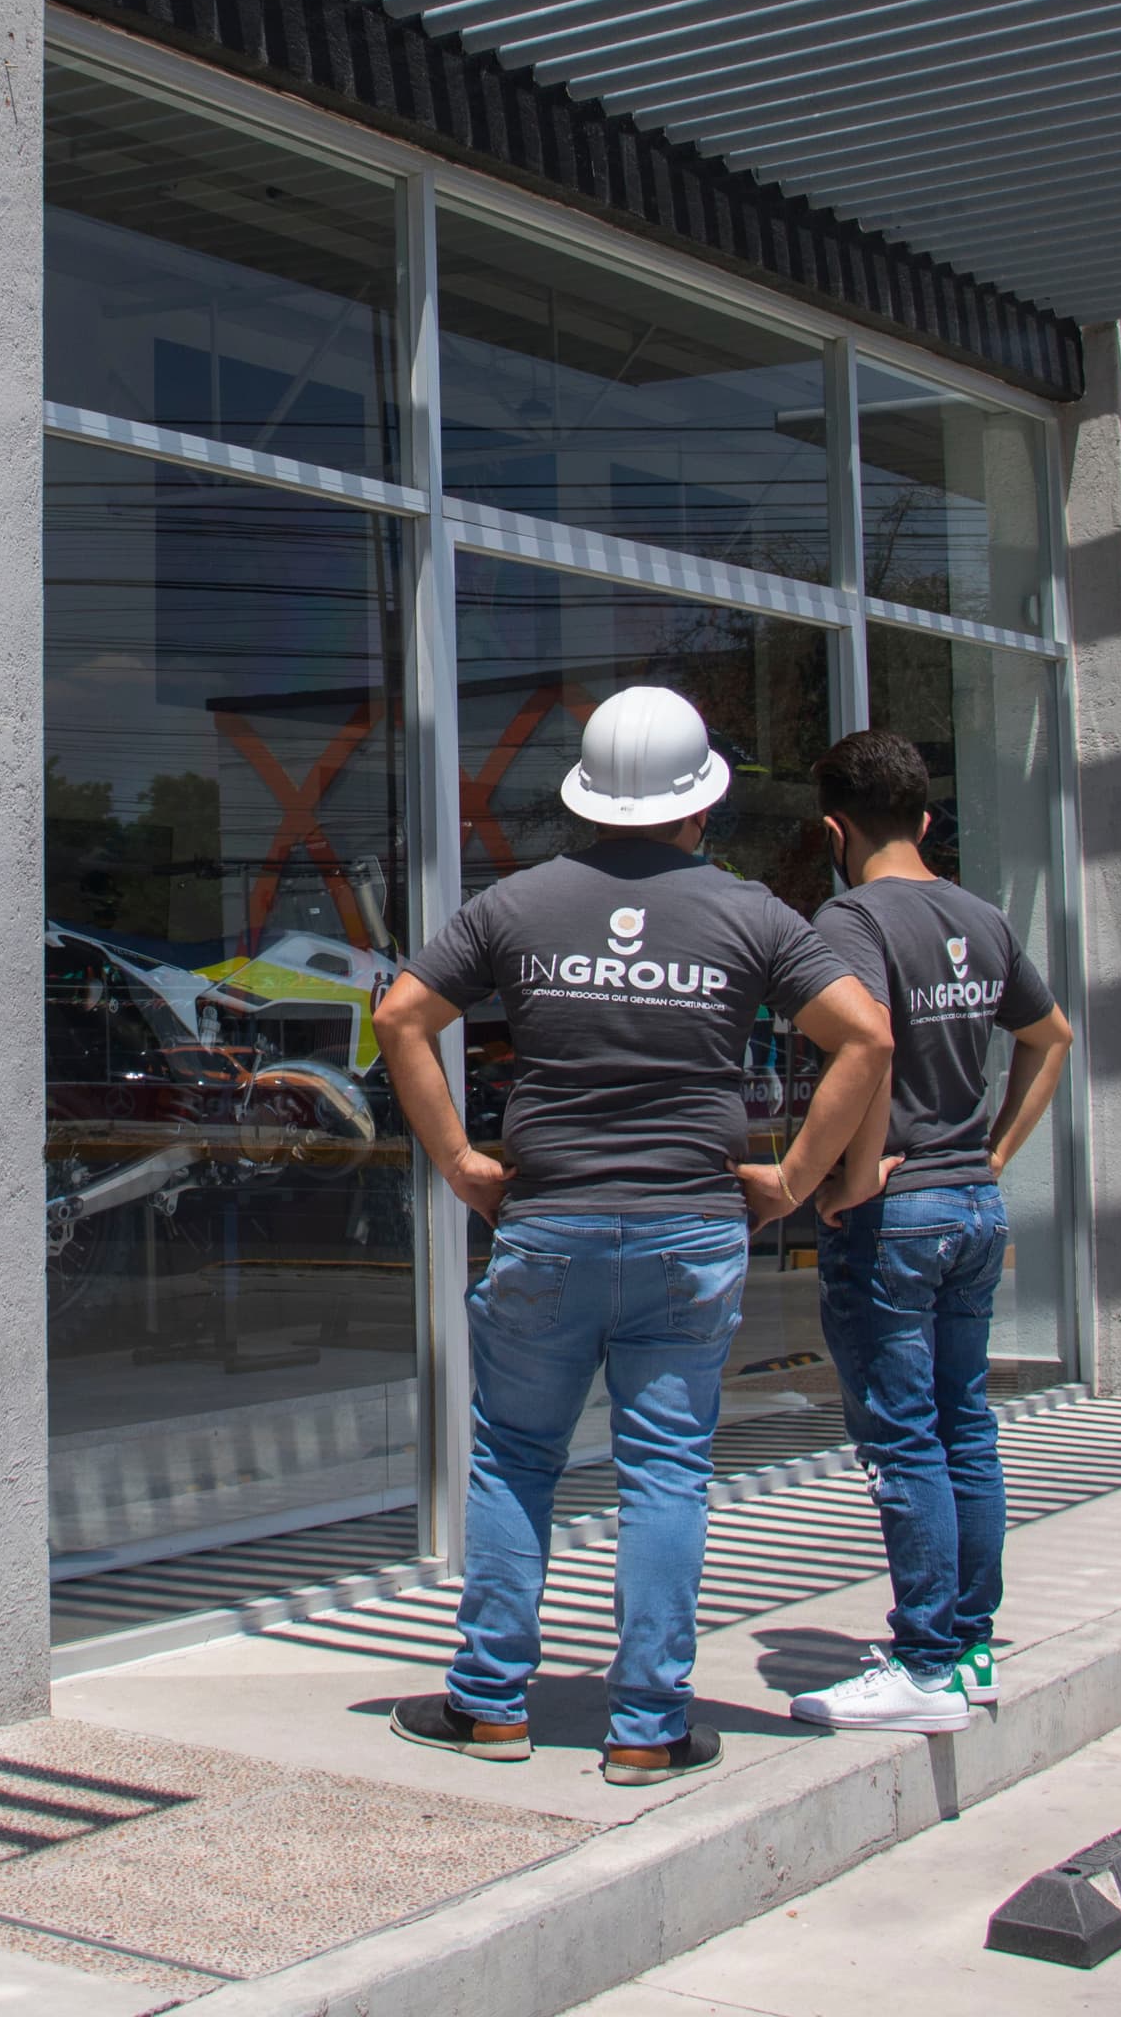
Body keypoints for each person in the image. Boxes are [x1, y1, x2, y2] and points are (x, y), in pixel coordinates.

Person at [371, 685, 893, 1786]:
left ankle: (492, 1705)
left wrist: (462, 1159)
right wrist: (796, 1177)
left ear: (588, 803)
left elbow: (399, 1015)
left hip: (548, 1223)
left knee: (517, 1461)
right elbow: (866, 1037)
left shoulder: (517, 904)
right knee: (665, 1475)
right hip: (690, 1231)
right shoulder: (750, 913)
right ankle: (648, 1727)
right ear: (702, 804)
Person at [785, 728, 1074, 1735]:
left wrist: (851, 1175)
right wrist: (994, 1154)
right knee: (964, 1428)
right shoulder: (981, 917)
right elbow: (1052, 1037)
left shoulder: (851, 917)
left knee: (904, 1439)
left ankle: (926, 1661)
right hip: (971, 1207)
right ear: (925, 817)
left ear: (834, 828)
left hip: (896, 1215)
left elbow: (869, 1045)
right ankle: (971, 1644)